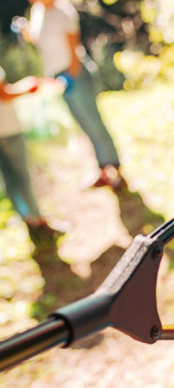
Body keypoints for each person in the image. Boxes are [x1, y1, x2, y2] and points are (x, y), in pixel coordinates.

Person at [24, 0, 127, 193]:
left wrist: (70, 76)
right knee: (84, 125)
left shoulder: (63, 10)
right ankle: (103, 170)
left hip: (74, 73)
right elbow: (43, 41)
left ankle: (117, 171)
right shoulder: (37, 11)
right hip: (57, 77)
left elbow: (74, 47)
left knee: (94, 122)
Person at [0, 65, 59, 241]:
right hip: (8, 130)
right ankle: (38, 220)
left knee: (9, 180)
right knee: (22, 178)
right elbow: (4, 94)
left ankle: (27, 219)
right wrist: (27, 88)